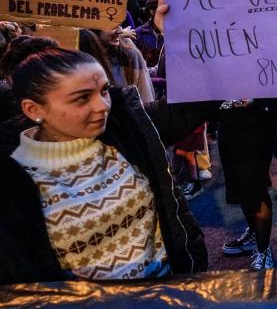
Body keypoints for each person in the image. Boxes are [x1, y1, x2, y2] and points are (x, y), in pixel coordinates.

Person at [0, 37, 211, 283]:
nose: (102, 106)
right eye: (82, 98)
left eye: (104, 91)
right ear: (33, 109)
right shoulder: (11, 178)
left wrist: (187, 37)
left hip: (169, 291)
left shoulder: (127, 127)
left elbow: (193, 105)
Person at [217, 97, 277, 270]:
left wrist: (258, 102)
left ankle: (264, 249)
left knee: (254, 187)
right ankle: (255, 234)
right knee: (239, 187)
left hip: (256, 125)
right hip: (227, 124)